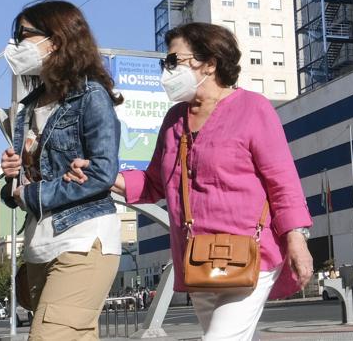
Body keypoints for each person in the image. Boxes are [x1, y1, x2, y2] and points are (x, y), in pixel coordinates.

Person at [66, 22, 312, 340]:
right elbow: (155, 182)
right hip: (197, 258)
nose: (165, 71)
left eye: (173, 61)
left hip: (250, 254)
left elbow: (282, 182)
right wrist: (104, 175)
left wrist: (297, 240)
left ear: (209, 63)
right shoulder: (174, 120)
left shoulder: (254, 109)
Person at [0, 0, 122, 341]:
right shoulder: (27, 110)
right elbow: (20, 193)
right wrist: (14, 179)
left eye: (24, 35)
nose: (15, 45)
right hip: (39, 245)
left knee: (46, 337)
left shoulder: (90, 96)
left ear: (56, 39)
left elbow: (101, 173)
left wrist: (32, 191)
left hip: (83, 238)